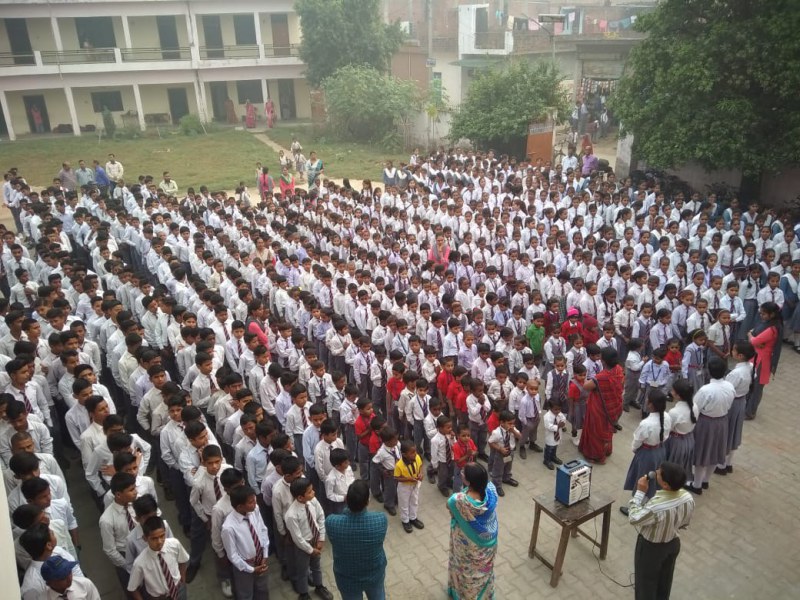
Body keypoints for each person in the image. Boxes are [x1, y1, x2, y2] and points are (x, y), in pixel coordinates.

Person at [627, 462, 694, 600]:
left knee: (645, 584)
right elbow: (684, 522)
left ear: (665, 485)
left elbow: (634, 518)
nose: (656, 472)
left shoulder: (656, 507)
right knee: (665, 580)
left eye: (659, 473)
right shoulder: (687, 497)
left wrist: (640, 492)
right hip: (673, 544)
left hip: (651, 549)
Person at [326, 479, 388, 600]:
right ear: (367, 502)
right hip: (374, 575)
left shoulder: (331, 522)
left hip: (347, 578)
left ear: (346, 500)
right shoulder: (380, 519)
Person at [447, 462, 498, 600]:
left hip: (467, 546)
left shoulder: (459, 500)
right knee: (483, 571)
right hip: (488, 545)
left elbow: (449, 506)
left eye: (463, 472)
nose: (461, 472)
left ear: (468, 481)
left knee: (465, 571)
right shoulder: (491, 490)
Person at [578, 347, 624, 464]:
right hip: (613, 405)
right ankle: (606, 450)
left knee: (595, 430)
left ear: (603, 360)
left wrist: (582, 377)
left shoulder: (601, 377)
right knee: (607, 429)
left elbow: (586, 386)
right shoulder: (619, 370)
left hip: (599, 407)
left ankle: (595, 455)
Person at [746, 301, 782, 419]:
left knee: (756, 388)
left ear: (772, 314)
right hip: (758, 357)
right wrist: (755, 338)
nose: (761, 316)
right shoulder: (769, 324)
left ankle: (750, 412)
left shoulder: (772, 328)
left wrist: (750, 335)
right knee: (753, 386)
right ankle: (748, 409)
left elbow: (754, 340)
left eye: (764, 314)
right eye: (760, 313)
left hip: (761, 360)